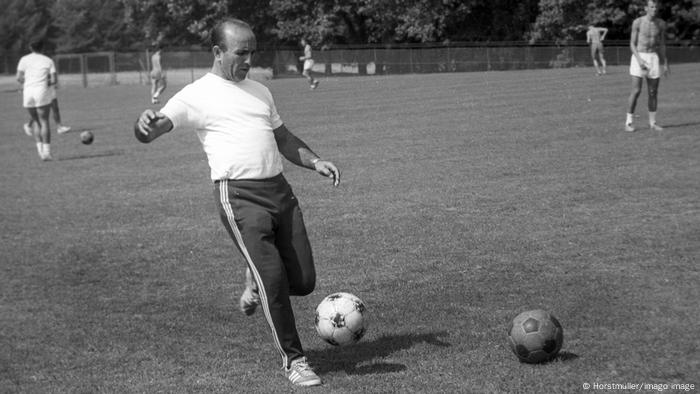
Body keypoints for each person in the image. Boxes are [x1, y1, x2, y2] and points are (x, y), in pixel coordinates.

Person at [133, 18, 340, 387]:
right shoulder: (196, 94)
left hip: (280, 191)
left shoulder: (260, 91)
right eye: (240, 52)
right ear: (217, 52)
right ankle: (294, 360)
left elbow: (283, 137)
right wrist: (144, 124)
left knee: (304, 281)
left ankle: (256, 279)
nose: (248, 59)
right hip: (239, 197)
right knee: (275, 280)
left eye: (252, 52)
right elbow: (155, 128)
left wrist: (315, 161)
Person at [625, 0, 669, 132]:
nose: (654, 9)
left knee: (653, 92)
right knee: (636, 90)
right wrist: (640, 61)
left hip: (653, 57)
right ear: (646, 8)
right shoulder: (638, 22)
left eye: (656, 6)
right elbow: (632, 44)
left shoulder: (661, 24)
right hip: (639, 56)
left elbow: (661, 44)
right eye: (652, 6)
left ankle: (652, 122)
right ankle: (628, 123)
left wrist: (665, 62)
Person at [16, 40, 58, 161]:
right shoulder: (48, 60)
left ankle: (40, 151)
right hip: (41, 91)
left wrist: (30, 81)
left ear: (30, 47)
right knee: (44, 121)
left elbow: (19, 78)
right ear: (43, 47)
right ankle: (47, 153)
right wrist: (44, 82)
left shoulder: (24, 59)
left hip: (28, 92)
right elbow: (54, 80)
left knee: (35, 121)